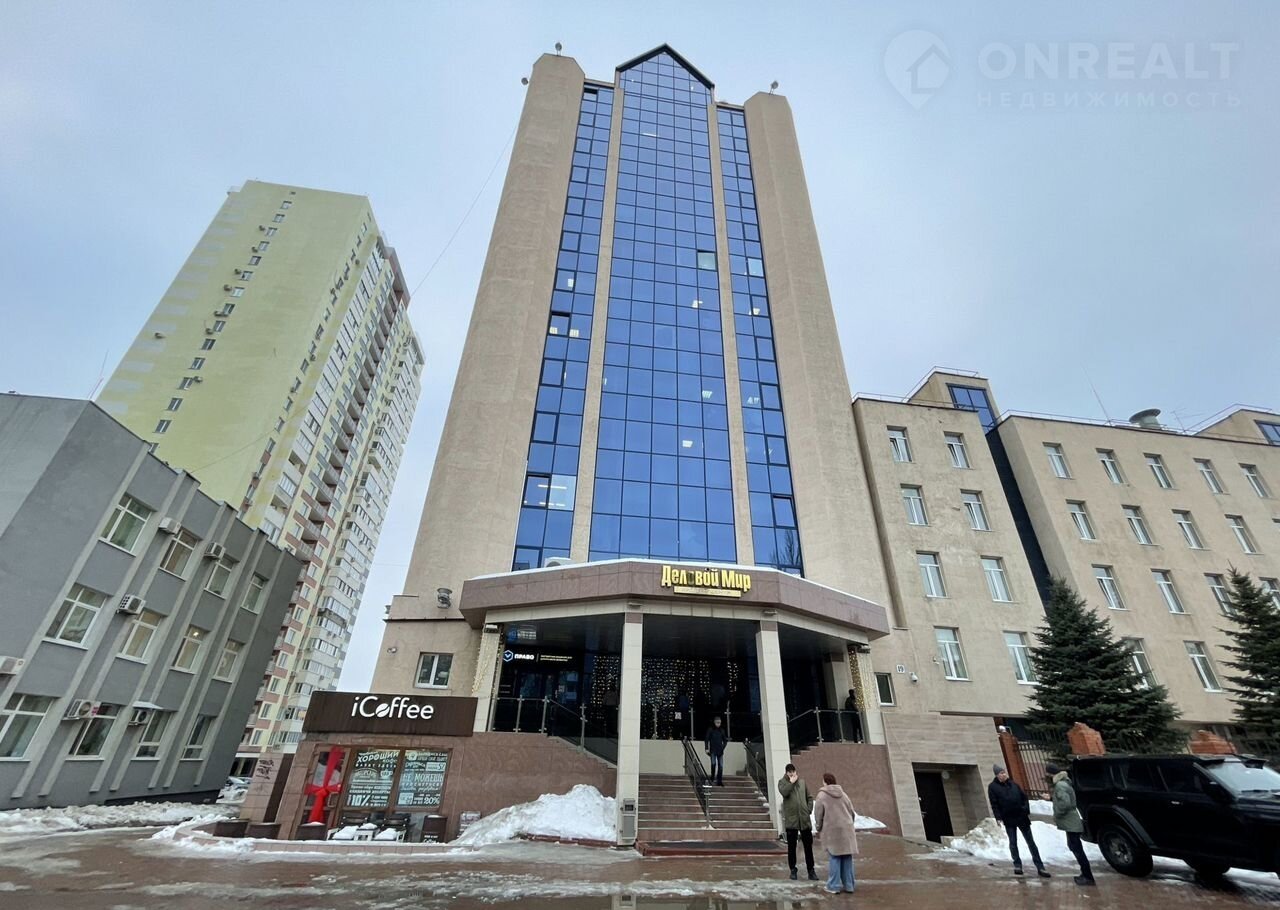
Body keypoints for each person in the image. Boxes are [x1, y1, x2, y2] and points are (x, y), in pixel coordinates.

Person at [988, 764, 1049, 878]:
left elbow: (1024, 798)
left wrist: (1025, 810)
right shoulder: (993, 787)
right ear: (997, 775)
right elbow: (994, 803)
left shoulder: (1014, 784)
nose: (1004, 774)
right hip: (1008, 818)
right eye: (1001, 773)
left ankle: (1040, 866)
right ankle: (1017, 865)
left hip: (1022, 817)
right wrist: (998, 817)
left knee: (1031, 842)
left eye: (1004, 772)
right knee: (1013, 842)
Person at [1047, 762, 1095, 886]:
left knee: (1077, 849)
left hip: (1071, 822)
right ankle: (1085, 874)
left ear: (1050, 773)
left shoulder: (1060, 785)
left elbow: (1065, 803)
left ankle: (1088, 876)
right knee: (1074, 846)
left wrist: (1057, 813)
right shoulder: (1064, 782)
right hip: (1071, 821)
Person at [814, 772, 857, 894]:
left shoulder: (822, 796)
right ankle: (849, 885)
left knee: (835, 857)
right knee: (847, 857)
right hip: (847, 829)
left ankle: (833, 886)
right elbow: (852, 812)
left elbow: (818, 814)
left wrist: (818, 827)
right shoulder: (844, 794)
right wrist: (849, 824)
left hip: (832, 830)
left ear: (825, 782)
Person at [777, 764, 818, 881]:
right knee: (792, 847)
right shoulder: (782, 783)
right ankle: (793, 870)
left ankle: (811, 870)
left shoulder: (802, 782)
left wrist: (808, 810)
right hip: (792, 820)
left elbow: (809, 797)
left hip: (804, 820)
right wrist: (791, 783)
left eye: (793, 771)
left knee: (808, 847)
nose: (792, 774)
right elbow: (784, 792)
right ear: (786, 773)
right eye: (789, 772)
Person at [704, 716, 727, 786]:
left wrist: (722, 748)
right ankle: (712, 777)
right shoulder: (710, 729)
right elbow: (706, 739)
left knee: (721, 766)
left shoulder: (722, 730)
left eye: (719, 723)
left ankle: (719, 780)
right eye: (717, 722)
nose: (718, 724)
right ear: (714, 722)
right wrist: (706, 748)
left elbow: (725, 741)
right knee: (713, 764)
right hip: (713, 750)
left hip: (720, 751)